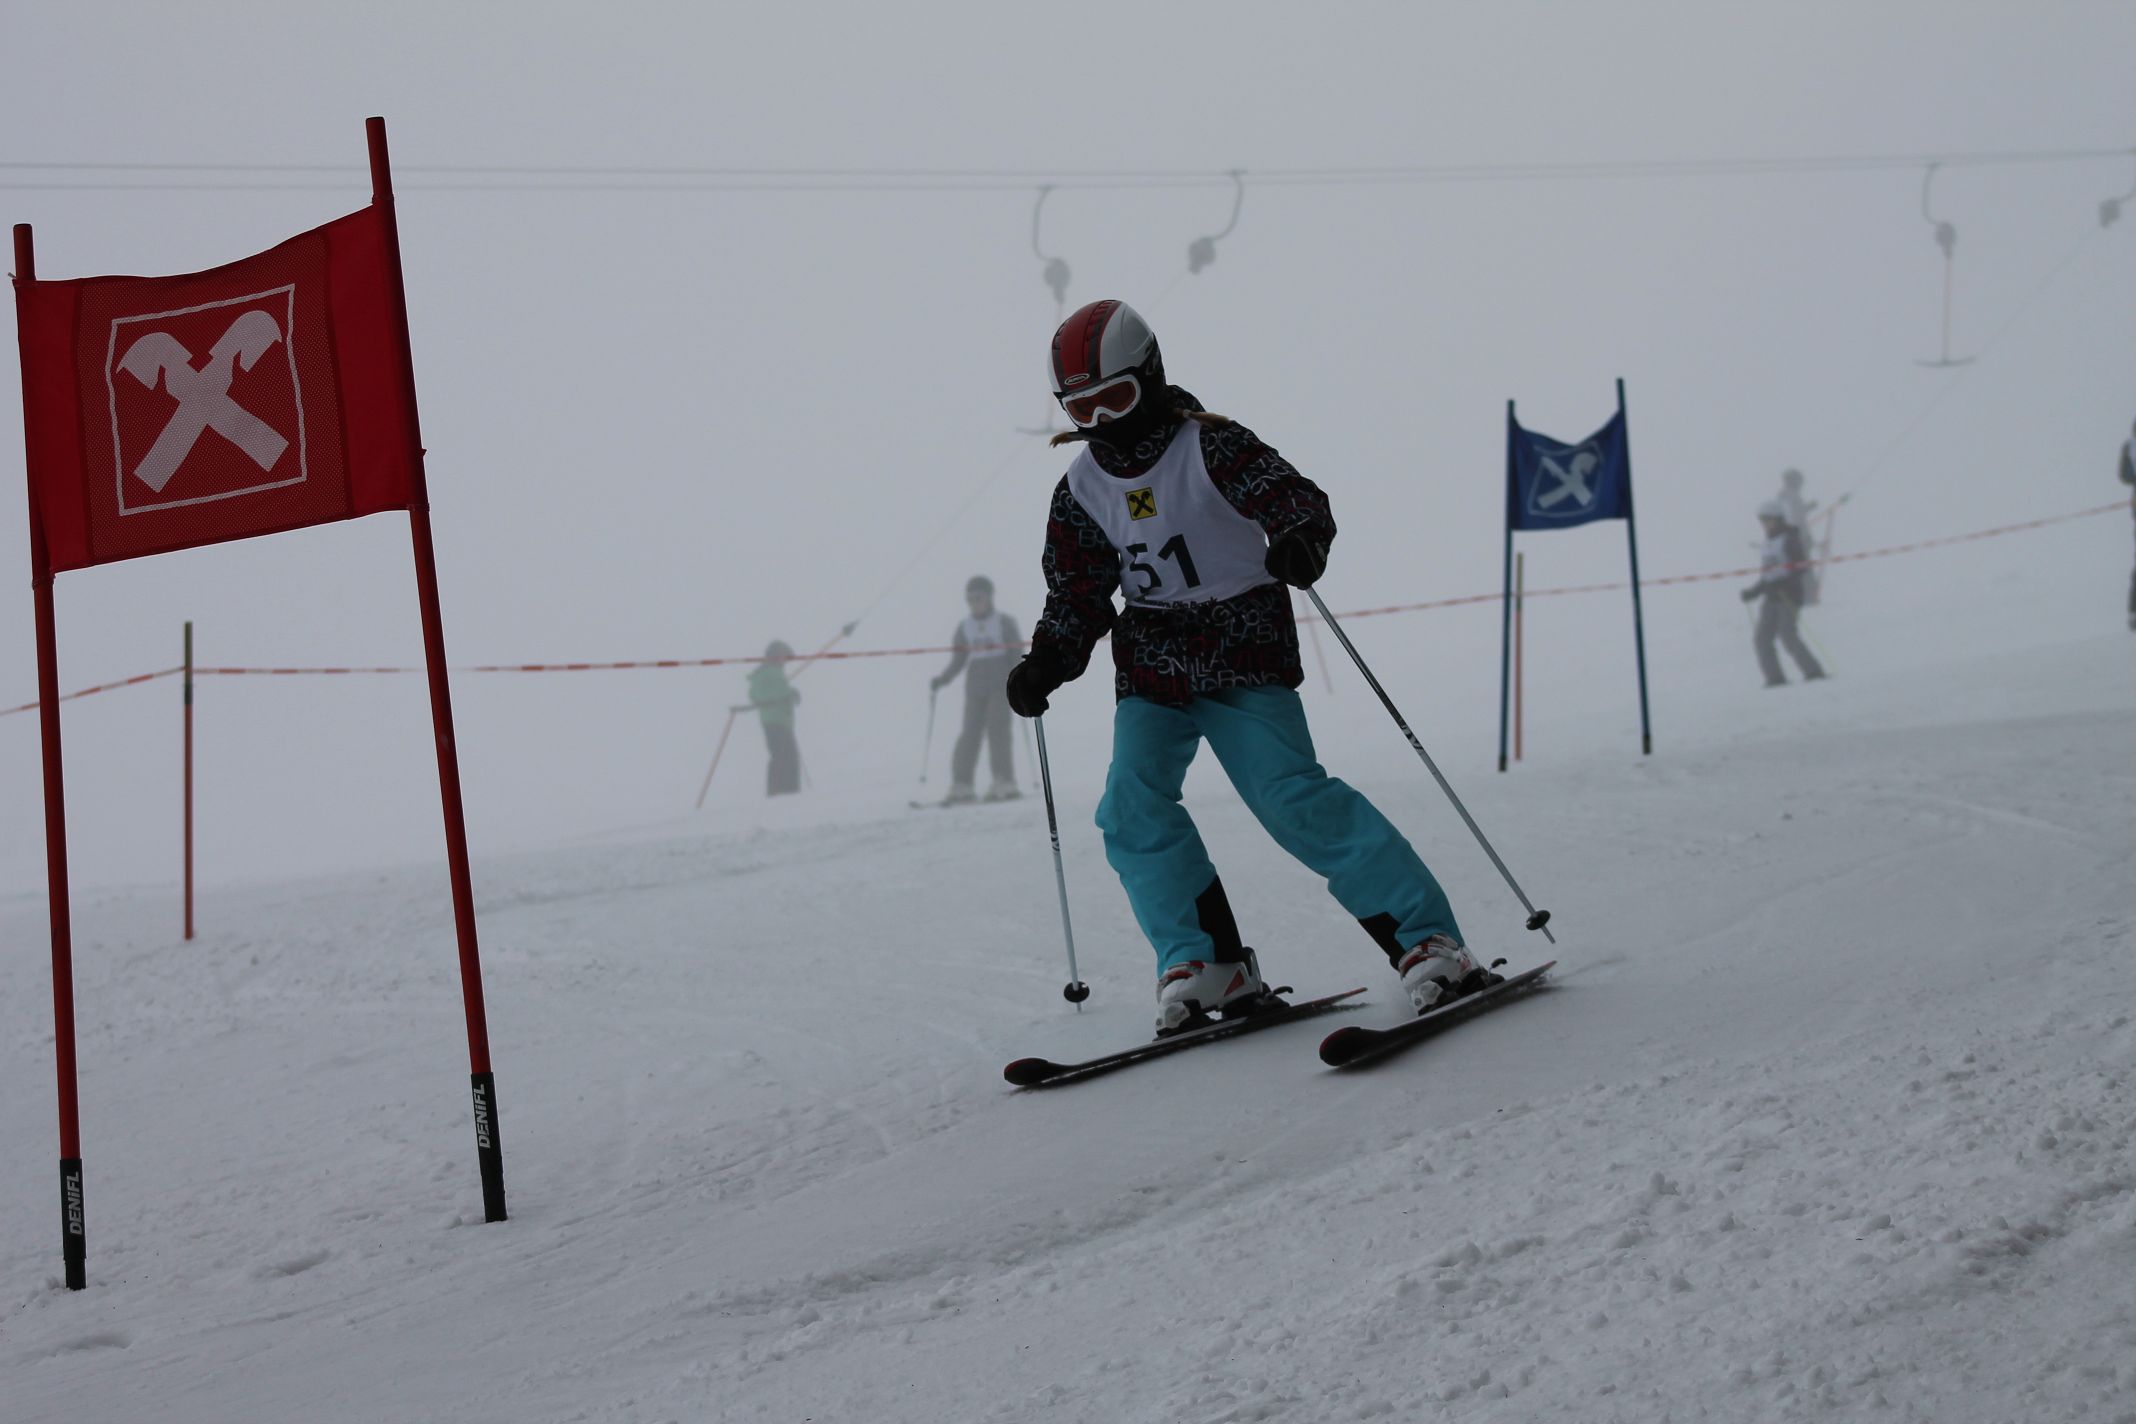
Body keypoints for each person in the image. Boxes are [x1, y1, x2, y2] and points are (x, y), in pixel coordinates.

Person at [1004, 298, 1488, 1035]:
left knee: (1289, 796)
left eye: (1116, 399)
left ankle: (1428, 942)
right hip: (1153, 661)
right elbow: (1076, 591)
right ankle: (1206, 963)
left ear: (1151, 377)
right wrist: (1048, 660)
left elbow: (1295, 500)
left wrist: (1300, 539)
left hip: (1242, 644)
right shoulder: (1081, 489)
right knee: (1130, 807)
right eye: (1082, 407)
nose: (1101, 421)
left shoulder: (1211, 445)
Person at [930, 575, 1022, 803]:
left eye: (978, 598)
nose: (974, 603)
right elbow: (959, 659)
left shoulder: (1003, 622)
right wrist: (943, 679)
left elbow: (1015, 654)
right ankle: (962, 784)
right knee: (969, 733)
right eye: (970, 599)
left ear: (989, 597)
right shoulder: (965, 627)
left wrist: (1021, 679)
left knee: (997, 730)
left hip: (1000, 685)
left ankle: (1004, 780)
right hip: (975, 687)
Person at [1740, 502, 1826, 687]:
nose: (1764, 524)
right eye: (1762, 520)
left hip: (1789, 595)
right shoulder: (1767, 542)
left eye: (1768, 520)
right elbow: (1768, 574)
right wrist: (1754, 591)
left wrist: (1784, 584)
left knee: (1787, 635)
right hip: (1771, 596)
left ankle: (1813, 671)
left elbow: (1800, 567)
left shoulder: (1789, 539)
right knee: (1762, 638)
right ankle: (1775, 678)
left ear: (1778, 519)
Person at [748, 640, 802, 796]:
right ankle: (783, 792)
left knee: (786, 756)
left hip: (781, 720)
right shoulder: (767, 672)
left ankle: (786, 791)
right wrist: (789, 694)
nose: (785, 661)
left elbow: (777, 691)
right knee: (783, 757)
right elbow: (760, 694)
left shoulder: (773, 672)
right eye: (784, 657)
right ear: (776, 655)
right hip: (775, 721)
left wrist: (790, 693)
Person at [1775, 468, 1821, 605]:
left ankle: (1804, 596)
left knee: (1798, 568)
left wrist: (1807, 508)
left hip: (1794, 539)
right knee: (1803, 568)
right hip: (1797, 539)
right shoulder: (1790, 496)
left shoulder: (1785, 496)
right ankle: (1808, 597)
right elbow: (1795, 517)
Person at [2120, 419, 2136, 630]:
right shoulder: (2129, 447)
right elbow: (2124, 476)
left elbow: (2124, 476)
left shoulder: (2129, 446)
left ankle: (2133, 613)